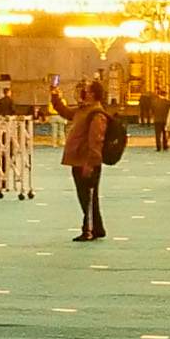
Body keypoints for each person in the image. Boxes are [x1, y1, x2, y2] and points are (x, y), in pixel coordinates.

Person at [64, 74, 115, 241]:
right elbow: (66, 113)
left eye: (85, 91)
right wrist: (55, 97)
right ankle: (97, 228)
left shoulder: (96, 114)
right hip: (78, 159)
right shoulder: (83, 110)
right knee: (84, 196)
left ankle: (89, 229)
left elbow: (96, 141)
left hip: (87, 161)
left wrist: (91, 163)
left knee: (88, 197)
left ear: (93, 94)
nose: (82, 93)